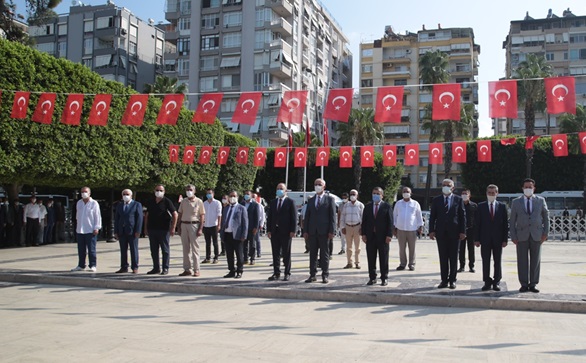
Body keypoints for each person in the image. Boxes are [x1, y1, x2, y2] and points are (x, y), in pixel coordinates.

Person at [509, 178, 549, 293]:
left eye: (530, 187)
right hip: (521, 235)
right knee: (522, 261)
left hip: (537, 235)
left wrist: (545, 233)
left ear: (534, 188)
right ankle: (524, 284)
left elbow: (546, 218)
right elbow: (512, 221)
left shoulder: (541, 200)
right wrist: (513, 236)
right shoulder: (516, 202)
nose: (528, 189)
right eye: (526, 187)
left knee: (535, 260)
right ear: (522, 188)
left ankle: (533, 284)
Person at [429, 179, 467, 289]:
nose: (446, 187)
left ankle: (452, 280)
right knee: (443, 257)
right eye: (444, 185)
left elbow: (462, 216)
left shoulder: (458, 199)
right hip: (441, 233)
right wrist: (431, 230)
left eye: (448, 185)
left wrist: (463, 231)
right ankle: (444, 280)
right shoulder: (436, 200)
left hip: (455, 233)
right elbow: (432, 217)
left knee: (454, 257)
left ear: (453, 188)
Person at [474, 184, 509, 291]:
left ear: (497, 193)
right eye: (489, 193)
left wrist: (505, 239)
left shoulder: (502, 206)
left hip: (498, 239)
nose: (491, 195)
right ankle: (487, 281)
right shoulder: (480, 206)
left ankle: (496, 281)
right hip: (484, 239)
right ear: (486, 193)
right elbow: (477, 224)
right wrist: (476, 239)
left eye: (493, 193)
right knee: (486, 261)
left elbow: (505, 225)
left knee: (497, 261)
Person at [303, 178, 336, 284]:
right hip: (312, 232)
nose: (317, 186)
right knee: (312, 254)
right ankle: (312, 275)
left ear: (324, 187)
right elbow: (307, 216)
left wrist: (332, 230)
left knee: (324, 254)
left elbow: (332, 217)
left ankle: (325, 275)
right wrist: (305, 230)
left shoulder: (329, 199)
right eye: (316, 184)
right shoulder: (311, 200)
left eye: (319, 184)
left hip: (325, 232)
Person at [362, 187, 394, 286]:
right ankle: (372, 278)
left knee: (383, 258)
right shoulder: (367, 206)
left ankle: (384, 278)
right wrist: (363, 234)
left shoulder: (386, 206)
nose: (375, 195)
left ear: (382, 195)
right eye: (374, 193)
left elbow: (390, 222)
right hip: (370, 237)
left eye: (377, 193)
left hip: (383, 237)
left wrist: (389, 235)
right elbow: (364, 222)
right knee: (371, 258)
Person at [144, 184, 178, 275]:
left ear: (164, 192)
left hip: (164, 229)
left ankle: (165, 268)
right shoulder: (151, 202)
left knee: (165, 250)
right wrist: (145, 228)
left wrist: (173, 227)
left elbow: (175, 214)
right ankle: (156, 268)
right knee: (154, 250)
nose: (159, 192)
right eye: (157, 190)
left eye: (161, 190)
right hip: (152, 229)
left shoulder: (167, 201)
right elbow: (147, 215)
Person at [266, 183, 297, 281]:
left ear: (285, 190)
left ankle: (287, 273)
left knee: (286, 253)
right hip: (275, 231)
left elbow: (294, 217)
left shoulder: (290, 202)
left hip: (286, 232)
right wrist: (269, 230)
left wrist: (293, 230)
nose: (279, 190)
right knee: (275, 253)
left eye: (281, 188)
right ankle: (276, 272)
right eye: (278, 188)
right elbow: (270, 217)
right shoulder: (273, 202)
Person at [177, 184, 205, 277]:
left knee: (195, 249)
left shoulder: (199, 201)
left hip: (194, 225)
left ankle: (196, 269)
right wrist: (179, 227)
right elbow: (180, 214)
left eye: (191, 190)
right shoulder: (184, 201)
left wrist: (200, 228)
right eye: (187, 190)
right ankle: (187, 269)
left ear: (194, 191)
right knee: (185, 249)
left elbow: (202, 216)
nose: (189, 191)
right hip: (184, 224)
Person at [71, 187, 102, 272]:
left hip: (90, 229)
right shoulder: (79, 203)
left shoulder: (94, 203)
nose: (83, 193)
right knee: (81, 249)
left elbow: (97, 216)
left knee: (91, 249)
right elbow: (77, 216)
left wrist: (96, 227)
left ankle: (93, 265)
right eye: (82, 192)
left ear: (89, 193)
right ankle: (81, 265)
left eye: (85, 192)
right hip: (80, 229)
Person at [393, 186, 423, 271]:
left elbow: (419, 216)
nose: (406, 193)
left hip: (412, 229)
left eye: (407, 191)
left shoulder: (415, 203)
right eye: (404, 191)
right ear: (402, 193)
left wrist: (420, 226)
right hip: (400, 229)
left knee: (412, 248)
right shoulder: (398, 203)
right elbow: (394, 216)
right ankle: (402, 264)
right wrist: (394, 228)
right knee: (401, 248)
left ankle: (411, 264)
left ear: (410, 193)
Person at [114, 189, 143, 274]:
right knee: (123, 250)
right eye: (124, 194)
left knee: (133, 250)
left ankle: (135, 267)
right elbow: (117, 219)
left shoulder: (136, 204)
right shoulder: (119, 205)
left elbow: (139, 218)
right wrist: (116, 231)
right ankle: (124, 267)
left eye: (127, 194)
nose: (125, 196)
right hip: (122, 231)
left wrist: (138, 230)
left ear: (131, 196)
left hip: (132, 231)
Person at [221, 191, 248, 279]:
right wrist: (222, 234)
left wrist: (244, 234)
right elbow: (223, 221)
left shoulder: (241, 208)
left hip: (237, 235)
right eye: (231, 196)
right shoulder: (226, 208)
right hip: (227, 234)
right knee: (229, 254)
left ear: (237, 197)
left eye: (234, 196)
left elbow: (245, 223)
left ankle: (239, 271)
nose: (232, 197)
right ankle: (231, 270)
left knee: (239, 254)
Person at [339, 189, 364, 269]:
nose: (352, 196)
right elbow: (342, 216)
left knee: (357, 247)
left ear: (357, 196)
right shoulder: (346, 205)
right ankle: (349, 262)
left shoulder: (360, 205)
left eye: (354, 194)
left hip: (357, 227)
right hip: (348, 227)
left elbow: (363, 218)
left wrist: (362, 228)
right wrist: (342, 227)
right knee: (348, 247)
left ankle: (357, 263)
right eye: (351, 194)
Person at [459, 189, 478, 273]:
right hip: (461, 230)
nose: (464, 195)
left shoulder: (474, 205)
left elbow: (477, 219)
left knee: (471, 249)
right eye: (462, 193)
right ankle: (461, 266)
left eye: (466, 194)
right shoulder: (458, 205)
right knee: (461, 249)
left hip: (471, 230)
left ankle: (471, 266)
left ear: (469, 195)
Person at [202, 188, 222, 264]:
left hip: (214, 225)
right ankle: (208, 257)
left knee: (215, 242)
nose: (209, 195)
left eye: (210, 193)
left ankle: (216, 257)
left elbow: (219, 214)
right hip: (206, 225)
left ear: (213, 194)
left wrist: (219, 224)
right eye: (207, 193)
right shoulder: (204, 203)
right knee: (207, 242)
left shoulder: (217, 203)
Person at [242, 190, 260, 265]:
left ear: (251, 195)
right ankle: (245, 258)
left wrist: (256, 227)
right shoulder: (242, 204)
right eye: (245, 194)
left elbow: (257, 217)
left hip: (252, 227)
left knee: (252, 244)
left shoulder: (255, 205)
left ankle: (252, 258)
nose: (246, 195)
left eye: (248, 194)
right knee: (244, 244)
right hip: (243, 227)